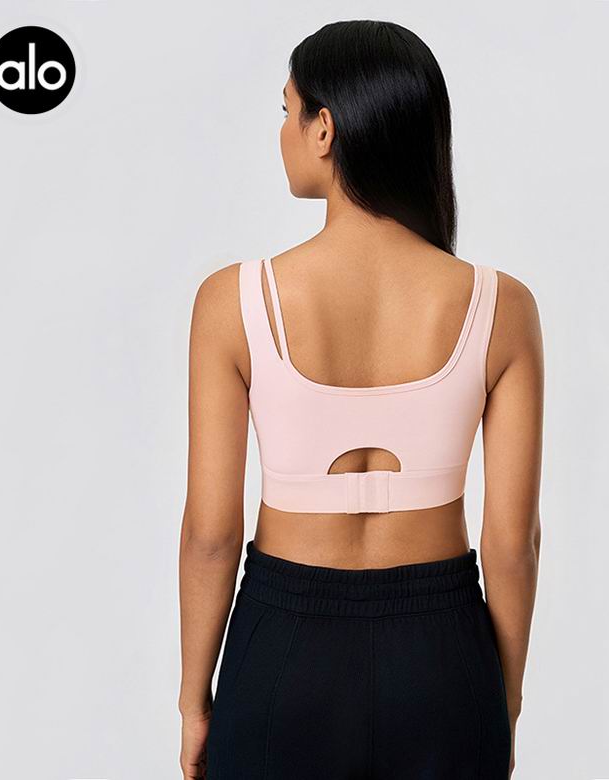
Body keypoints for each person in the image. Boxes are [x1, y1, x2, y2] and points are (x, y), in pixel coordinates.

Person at [178, 19, 543, 780]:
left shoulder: (232, 302)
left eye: (287, 111)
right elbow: (512, 544)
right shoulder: (501, 307)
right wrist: (502, 700)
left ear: (325, 129)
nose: (283, 131)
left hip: (282, 654)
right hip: (442, 660)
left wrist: (193, 703)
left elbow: (211, 535)